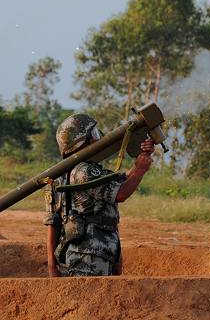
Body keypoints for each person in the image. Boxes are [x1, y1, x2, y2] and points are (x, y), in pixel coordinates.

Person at [44, 113, 154, 277]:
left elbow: (118, 181)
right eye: (93, 134)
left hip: (88, 253)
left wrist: (140, 163)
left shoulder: (63, 173)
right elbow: (121, 193)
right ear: (81, 141)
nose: (98, 138)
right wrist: (141, 170)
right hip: (90, 256)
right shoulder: (84, 172)